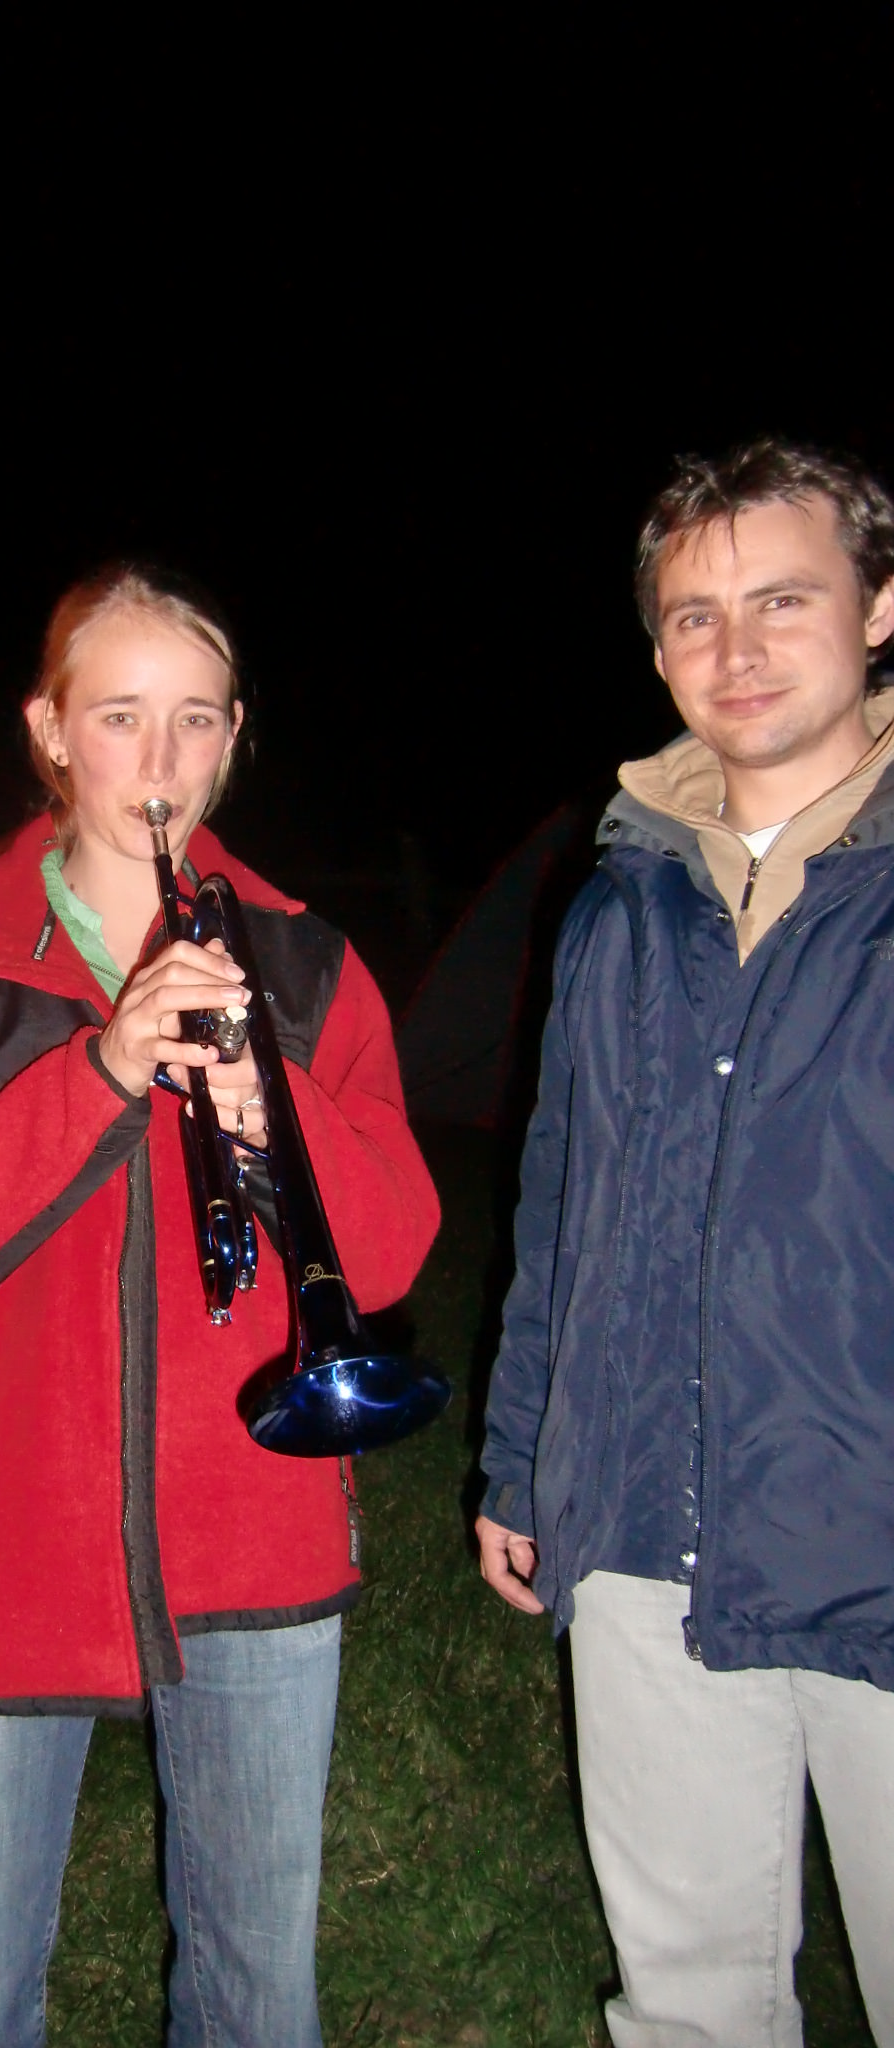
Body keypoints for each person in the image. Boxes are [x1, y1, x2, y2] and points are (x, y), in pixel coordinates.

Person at [0, 566, 440, 2047]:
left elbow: (394, 1248)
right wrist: (97, 1073)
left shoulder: (306, 962)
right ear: (49, 730)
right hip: (1, 1536)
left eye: (196, 720)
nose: (161, 762)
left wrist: (271, 1101)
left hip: (257, 1521)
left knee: (258, 1994)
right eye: (119, 717)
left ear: (234, 737)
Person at [476, 438, 894, 2047]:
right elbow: (561, 1197)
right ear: (658, 651)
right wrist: (527, 1459)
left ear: (876, 610)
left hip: (871, 1533)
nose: (737, 648)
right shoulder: (620, 903)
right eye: (694, 615)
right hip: (645, 1525)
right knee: (689, 2006)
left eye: (783, 599)